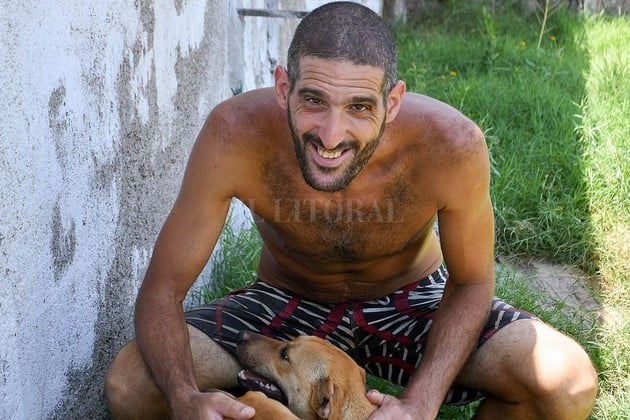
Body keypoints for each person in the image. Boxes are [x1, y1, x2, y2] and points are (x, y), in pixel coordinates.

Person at [105, 2, 598, 419]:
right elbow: (162, 289)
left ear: (393, 102)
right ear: (283, 88)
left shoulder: (450, 145)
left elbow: (471, 282)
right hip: (285, 301)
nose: (331, 135)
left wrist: (421, 403)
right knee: (132, 386)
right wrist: (184, 397)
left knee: (566, 383)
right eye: (313, 100)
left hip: (412, 301)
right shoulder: (233, 135)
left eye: (360, 106)